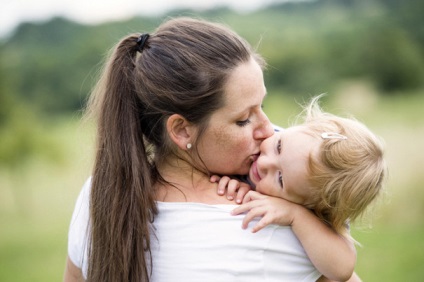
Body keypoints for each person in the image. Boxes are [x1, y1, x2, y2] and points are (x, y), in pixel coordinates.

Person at [64, 17, 355, 282]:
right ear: (181, 131)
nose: (268, 130)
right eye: (243, 119)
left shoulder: (100, 195)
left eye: (261, 107)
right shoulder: (262, 221)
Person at [214, 95, 386, 278]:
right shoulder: (273, 136)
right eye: (278, 147)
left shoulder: (316, 209)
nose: (264, 163)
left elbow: (342, 271)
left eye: (280, 179)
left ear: (311, 206)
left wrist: (295, 215)